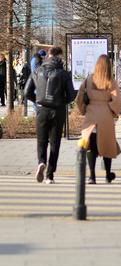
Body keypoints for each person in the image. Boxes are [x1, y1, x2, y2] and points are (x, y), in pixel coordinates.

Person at [25, 47, 76, 184]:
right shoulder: (64, 74)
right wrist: (61, 102)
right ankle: (50, 175)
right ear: (59, 56)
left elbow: (26, 92)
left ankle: (41, 162)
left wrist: (37, 100)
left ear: (48, 55)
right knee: (55, 143)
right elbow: (72, 95)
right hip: (57, 111)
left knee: (41, 141)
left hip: (42, 110)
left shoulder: (37, 70)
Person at [75, 55, 121, 184]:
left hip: (91, 115)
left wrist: (84, 109)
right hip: (105, 115)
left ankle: (92, 175)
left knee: (91, 146)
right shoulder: (110, 81)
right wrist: (114, 111)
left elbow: (79, 98)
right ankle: (107, 175)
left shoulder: (89, 79)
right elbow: (117, 99)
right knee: (107, 145)